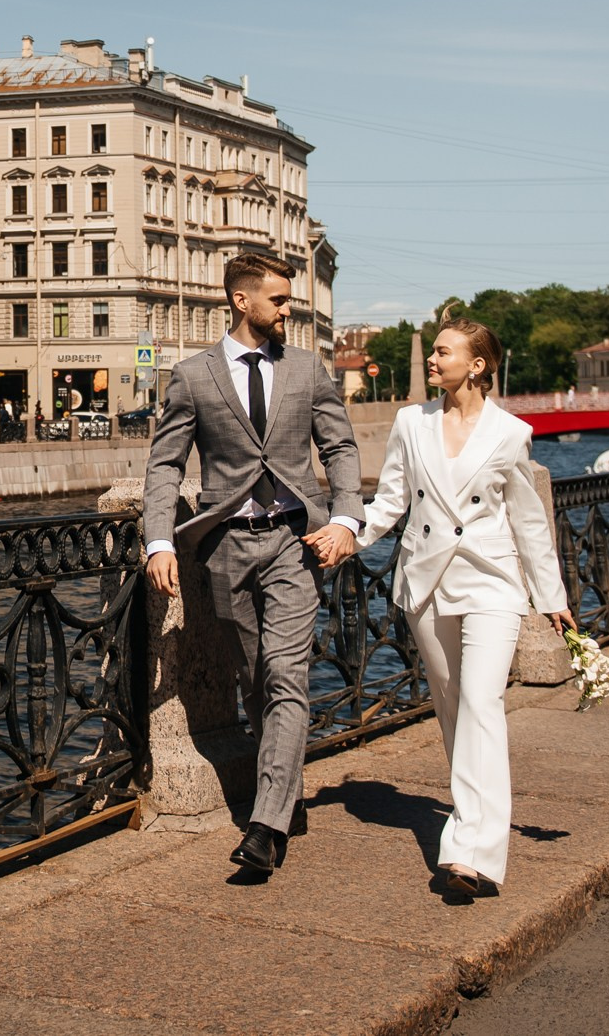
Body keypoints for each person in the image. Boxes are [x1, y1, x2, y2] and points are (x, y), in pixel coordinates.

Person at [142, 252, 363, 876]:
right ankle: (286, 795)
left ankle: (265, 827)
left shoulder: (307, 368)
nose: (290, 308)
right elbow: (165, 464)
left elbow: (340, 447)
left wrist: (347, 520)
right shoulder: (193, 376)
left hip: (296, 542)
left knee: (287, 675)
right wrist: (159, 541)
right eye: (280, 300)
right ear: (243, 301)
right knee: (254, 680)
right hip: (227, 546)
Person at [359, 318, 572, 899]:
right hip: (427, 580)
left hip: (491, 580)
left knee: (482, 702)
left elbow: (528, 519)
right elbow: (391, 501)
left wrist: (551, 597)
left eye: (443, 352)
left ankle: (470, 854)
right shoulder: (412, 422)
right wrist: (347, 536)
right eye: (431, 351)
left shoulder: (510, 433)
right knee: (453, 708)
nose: (432, 360)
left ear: (477, 365)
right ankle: (469, 821)